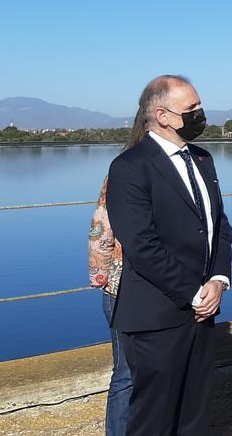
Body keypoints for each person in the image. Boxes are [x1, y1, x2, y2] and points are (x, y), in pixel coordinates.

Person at [106, 75, 232, 436]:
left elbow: (218, 225)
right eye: (190, 108)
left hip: (204, 308)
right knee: (155, 417)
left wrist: (219, 280)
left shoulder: (203, 160)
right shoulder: (130, 167)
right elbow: (142, 245)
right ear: (162, 115)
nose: (200, 113)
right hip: (157, 315)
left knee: (195, 411)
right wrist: (194, 293)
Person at [88, 178, 130, 436]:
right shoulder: (122, 172)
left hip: (156, 291)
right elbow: (101, 231)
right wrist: (102, 277)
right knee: (126, 374)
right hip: (121, 288)